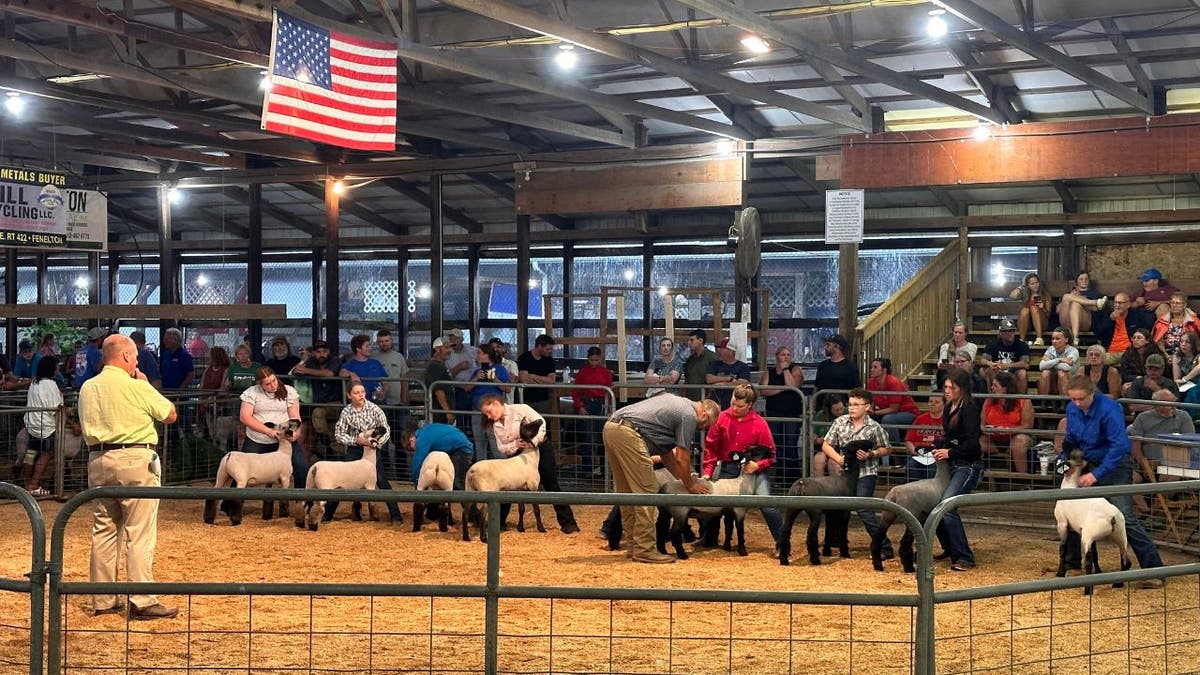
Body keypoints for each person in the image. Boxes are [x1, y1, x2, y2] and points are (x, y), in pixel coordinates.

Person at [79, 333, 178, 619]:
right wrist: (146, 386)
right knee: (139, 532)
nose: (137, 360)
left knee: (104, 530)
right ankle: (142, 599)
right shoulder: (136, 385)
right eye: (134, 356)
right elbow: (169, 414)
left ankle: (103, 600)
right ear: (124, 356)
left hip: (98, 460)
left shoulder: (88, 387)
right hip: (135, 460)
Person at [1061, 374, 1164, 583]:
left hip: (1114, 465)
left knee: (1123, 515)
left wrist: (1095, 474)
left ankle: (1155, 571)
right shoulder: (1073, 409)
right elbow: (1071, 438)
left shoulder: (1109, 409)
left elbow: (1120, 446)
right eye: (1073, 399)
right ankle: (1073, 560)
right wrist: (1065, 460)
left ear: (1092, 393)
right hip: (1088, 461)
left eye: (1081, 398)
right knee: (1071, 507)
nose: (1077, 403)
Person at [604, 394, 716, 563]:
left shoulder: (679, 406)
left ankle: (634, 545)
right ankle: (644, 549)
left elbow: (666, 454)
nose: (701, 429)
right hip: (630, 433)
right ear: (704, 415)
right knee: (647, 492)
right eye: (705, 426)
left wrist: (682, 478)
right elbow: (681, 457)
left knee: (627, 492)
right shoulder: (688, 415)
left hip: (612, 428)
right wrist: (690, 485)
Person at [479, 393, 579, 534]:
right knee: (507, 486)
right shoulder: (496, 425)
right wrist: (516, 444)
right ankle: (498, 523)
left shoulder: (520, 409)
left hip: (541, 448)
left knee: (550, 482)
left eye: (489, 412)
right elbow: (501, 447)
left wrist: (533, 442)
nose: (488, 416)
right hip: (517, 453)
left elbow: (541, 423)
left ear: (496, 404)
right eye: (486, 414)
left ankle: (568, 523)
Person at [817, 388, 894, 560]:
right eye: (850, 404)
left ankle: (885, 547)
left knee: (863, 508)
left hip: (866, 472)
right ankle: (836, 541)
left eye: (856, 405)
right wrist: (839, 459)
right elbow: (826, 444)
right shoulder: (839, 422)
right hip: (844, 473)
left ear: (867, 407)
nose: (851, 408)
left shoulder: (875, 427)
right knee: (837, 507)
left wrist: (871, 454)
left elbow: (887, 448)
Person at [701, 384, 782, 545]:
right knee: (709, 497)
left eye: (740, 406)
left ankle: (782, 542)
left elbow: (771, 455)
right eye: (733, 404)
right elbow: (711, 448)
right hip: (727, 466)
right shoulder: (722, 418)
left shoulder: (759, 423)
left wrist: (758, 466)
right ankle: (709, 538)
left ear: (750, 405)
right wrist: (707, 472)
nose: (735, 408)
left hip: (753, 469)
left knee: (767, 504)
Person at [323, 382, 402, 523]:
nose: (361, 395)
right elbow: (339, 434)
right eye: (356, 392)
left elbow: (386, 429)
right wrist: (355, 440)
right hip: (355, 448)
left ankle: (396, 515)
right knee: (342, 479)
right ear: (349, 395)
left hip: (372, 449)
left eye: (362, 392)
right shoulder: (346, 412)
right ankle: (327, 515)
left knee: (381, 479)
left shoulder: (374, 408)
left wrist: (376, 443)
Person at [931, 368, 985, 571]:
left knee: (947, 506)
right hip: (954, 462)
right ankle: (951, 548)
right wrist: (941, 445)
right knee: (937, 505)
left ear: (961, 389)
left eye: (950, 388)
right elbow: (952, 436)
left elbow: (973, 445)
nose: (946, 391)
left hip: (969, 465)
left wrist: (949, 452)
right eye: (945, 387)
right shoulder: (948, 407)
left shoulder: (969, 409)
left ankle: (964, 556)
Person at [239, 366, 308, 490]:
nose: (273, 385)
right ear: (260, 385)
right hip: (257, 439)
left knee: (301, 466)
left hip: (283, 439)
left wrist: (295, 434)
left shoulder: (289, 391)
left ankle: (301, 500)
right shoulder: (251, 393)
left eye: (274, 381)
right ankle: (229, 505)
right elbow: (245, 417)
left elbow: (295, 417)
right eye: (268, 384)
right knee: (242, 468)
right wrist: (268, 431)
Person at [1127, 389, 1195, 514]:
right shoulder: (1143, 418)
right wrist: (1145, 466)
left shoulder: (1183, 417)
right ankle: (1147, 511)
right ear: (1156, 405)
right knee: (1127, 478)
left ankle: (1157, 510)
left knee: (1169, 478)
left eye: (1174, 401)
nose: (1173, 406)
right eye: (1168, 403)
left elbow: (1190, 443)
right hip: (1144, 463)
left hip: (1173, 461)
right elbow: (1135, 447)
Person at [23, 355, 70, 496]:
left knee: (31, 453)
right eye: (56, 366)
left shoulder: (34, 383)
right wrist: (71, 422)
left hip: (33, 423)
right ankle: (34, 484)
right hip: (46, 426)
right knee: (46, 454)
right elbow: (57, 408)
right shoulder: (51, 385)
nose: (58, 368)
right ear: (51, 368)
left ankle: (26, 483)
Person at [759, 345, 804, 486]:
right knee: (777, 443)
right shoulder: (770, 371)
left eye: (788, 354)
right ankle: (780, 477)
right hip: (774, 412)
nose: (786, 357)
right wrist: (783, 389)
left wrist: (785, 370)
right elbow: (763, 390)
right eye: (783, 354)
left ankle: (792, 478)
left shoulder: (795, 369)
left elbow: (792, 386)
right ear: (777, 356)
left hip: (792, 413)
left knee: (790, 444)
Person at [980, 371, 1035, 473]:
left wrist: (1008, 430)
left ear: (1005, 389)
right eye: (992, 385)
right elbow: (982, 425)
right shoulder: (989, 400)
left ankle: (1023, 481)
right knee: (976, 443)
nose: (992, 388)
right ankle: (982, 477)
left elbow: (1028, 426)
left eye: (995, 386)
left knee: (1019, 442)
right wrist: (988, 430)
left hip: (1015, 436)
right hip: (993, 439)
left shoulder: (1024, 401)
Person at [464, 343, 511, 460]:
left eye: (480, 353)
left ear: (487, 355)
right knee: (479, 443)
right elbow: (467, 388)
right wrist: (476, 378)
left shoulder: (500, 369)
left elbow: (508, 388)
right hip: (477, 411)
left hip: (493, 412)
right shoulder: (476, 371)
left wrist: (494, 379)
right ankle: (482, 469)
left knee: (495, 443)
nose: (477, 355)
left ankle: (502, 470)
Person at [572, 346, 613, 478]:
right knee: (587, 436)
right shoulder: (582, 373)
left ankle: (603, 468)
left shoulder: (606, 372)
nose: (594, 363)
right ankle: (587, 469)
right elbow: (576, 391)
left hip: (601, 403)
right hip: (588, 403)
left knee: (603, 437)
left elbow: (609, 391)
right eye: (591, 360)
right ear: (588, 359)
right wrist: (580, 406)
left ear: (600, 359)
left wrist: (609, 409)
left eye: (596, 360)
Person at [866, 356, 918, 445]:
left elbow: (894, 409)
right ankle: (871, 445)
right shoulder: (871, 382)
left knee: (888, 419)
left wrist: (874, 412)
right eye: (871, 367)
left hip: (908, 412)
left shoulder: (893, 383)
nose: (871, 370)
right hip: (888, 411)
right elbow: (872, 401)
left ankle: (894, 447)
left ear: (884, 370)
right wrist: (869, 409)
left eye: (875, 367)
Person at [1092, 292, 1149, 364]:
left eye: (1120, 303)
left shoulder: (1136, 316)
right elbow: (1098, 334)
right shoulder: (1107, 315)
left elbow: (1145, 333)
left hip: (1130, 352)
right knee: (1095, 360)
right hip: (1110, 352)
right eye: (1115, 303)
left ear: (1128, 305)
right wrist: (1110, 320)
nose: (1117, 305)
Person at [978, 319, 1030, 394]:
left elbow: (1025, 364)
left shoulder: (1022, 345)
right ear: (1001, 333)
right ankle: (994, 399)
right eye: (1006, 331)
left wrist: (1006, 366)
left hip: (1013, 373)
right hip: (997, 372)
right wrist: (991, 364)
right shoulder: (993, 344)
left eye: (1012, 331)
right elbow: (982, 360)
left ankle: (1021, 401)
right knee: (989, 370)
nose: (1010, 334)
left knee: (1022, 373)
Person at [903, 393, 945, 481]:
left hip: (937, 456)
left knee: (932, 467)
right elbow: (908, 440)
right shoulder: (920, 419)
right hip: (919, 454)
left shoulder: (947, 420)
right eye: (930, 401)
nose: (932, 404)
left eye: (936, 402)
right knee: (911, 465)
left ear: (944, 404)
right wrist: (915, 452)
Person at [814, 333, 860, 410]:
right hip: (822, 408)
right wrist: (813, 405)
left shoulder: (850, 367)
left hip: (840, 409)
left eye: (828, 345)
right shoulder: (822, 365)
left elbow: (855, 390)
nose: (825, 347)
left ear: (837, 347)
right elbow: (816, 386)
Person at [1056, 271, 1103, 346]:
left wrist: (1078, 299)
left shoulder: (1094, 293)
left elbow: (1096, 309)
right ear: (1076, 282)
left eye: (1086, 279)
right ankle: (1095, 302)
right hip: (1067, 323)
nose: (1084, 281)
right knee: (1066, 297)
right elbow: (1058, 310)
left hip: (1085, 323)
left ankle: (1075, 337)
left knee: (1075, 304)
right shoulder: (1070, 293)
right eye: (1081, 279)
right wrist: (1072, 297)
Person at [339, 333, 389, 401]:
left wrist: (383, 393)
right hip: (359, 402)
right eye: (367, 346)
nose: (370, 348)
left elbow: (385, 382)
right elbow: (342, 373)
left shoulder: (376, 363)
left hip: (376, 402)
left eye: (370, 346)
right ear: (358, 349)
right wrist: (351, 374)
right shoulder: (350, 364)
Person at [516, 334, 558, 414]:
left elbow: (551, 380)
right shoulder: (524, 358)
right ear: (539, 346)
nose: (550, 351)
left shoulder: (549, 360)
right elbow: (524, 379)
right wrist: (543, 381)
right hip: (526, 399)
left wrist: (533, 376)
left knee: (543, 423)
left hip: (543, 399)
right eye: (548, 349)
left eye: (551, 349)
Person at [705, 337, 751, 409]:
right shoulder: (714, 364)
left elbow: (743, 383)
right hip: (716, 404)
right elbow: (709, 379)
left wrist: (721, 384)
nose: (718, 350)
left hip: (735, 405)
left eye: (722, 348)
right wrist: (729, 379)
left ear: (731, 351)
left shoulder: (743, 366)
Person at [197, 346, 231, 440]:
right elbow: (202, 384)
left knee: (219, 428)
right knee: (209, 427)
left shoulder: (226, 369)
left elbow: (224, 386)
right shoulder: (208, 369)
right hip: (206, 403)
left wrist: (211, 398)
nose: (208, 357)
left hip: (219, 403)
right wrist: (201, 398)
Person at [1151, 292, 1198, 357]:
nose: (1174, 305)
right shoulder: (1161, 322)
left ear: (1184, 305)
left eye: (1177, 303)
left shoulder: (1194, 321)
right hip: (1164, 355)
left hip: (1187, 356)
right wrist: (1166, 355)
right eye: (1172, 303)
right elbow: (1158, 341)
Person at [1036, 328, 1079, 400]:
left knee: (1061, 373)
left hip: (1071, 380)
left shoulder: (1073, 351)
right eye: (1052, 339)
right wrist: (1059, 360)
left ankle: (1064, 402)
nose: (1054, 341)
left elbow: (1066, 367)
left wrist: (1050, 363)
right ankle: (1043, 402)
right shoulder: (1050, 349)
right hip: (1054, 379)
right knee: (1045, 373)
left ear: (1066, 340)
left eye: (1057, 339)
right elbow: (1041, 366)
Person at [444, 328, 476, 423]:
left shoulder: (472, 351)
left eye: (456, 338)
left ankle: (471, 433)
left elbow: (483, 360)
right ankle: (462, 431)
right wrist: (458, 367)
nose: (453, 341)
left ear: (462, 339)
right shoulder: (447, 355)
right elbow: (447, 376)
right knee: (461, 413)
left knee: (473, 413)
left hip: (473, 386)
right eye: (451, 338)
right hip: (457, 388)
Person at [1009, 272, 1051, 346]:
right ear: (1028, 285)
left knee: (1034, 308)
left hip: (1041, 323)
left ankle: (1039, 338)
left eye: (1037, 283)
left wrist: (1043, 308)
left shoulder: (1045, 295)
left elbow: (1048, 315)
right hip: (1026, 324)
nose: (1035, 285)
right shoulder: (1026, 294)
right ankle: (1022, 341)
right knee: (1025, 310)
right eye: (1032, 284)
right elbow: (1012, 296)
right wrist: (1021, 287)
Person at [810, 395, 845, 477]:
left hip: (842, 449)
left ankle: (835, 489)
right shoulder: (820, 415)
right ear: (829, 410)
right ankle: (820, 488)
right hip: (824, 448)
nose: (840, 412)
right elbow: (812, 436)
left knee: (833, 462)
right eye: (836, 410)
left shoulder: (848, 413)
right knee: (818, 460)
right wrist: (817, 440)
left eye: (841, 408)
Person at [936, 322, 976, 390]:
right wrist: (944, 365)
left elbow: (968, 362)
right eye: (955, 332)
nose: (957, 335)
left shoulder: (972, 347)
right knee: (941, 372)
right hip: (949, 371)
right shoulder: (946, 346)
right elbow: (940, 362)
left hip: (964, 371)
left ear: (965, 334)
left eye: (960, 333)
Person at [424, 337, 455, 425]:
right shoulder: (435, 367)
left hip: (440, 411)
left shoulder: (440, 365)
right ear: (437, 349)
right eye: (446, 348)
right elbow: (438, 390)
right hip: (439, 412)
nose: (449, 350)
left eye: (450, 348)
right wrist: (448, 412)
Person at [681, 329, 717, 401]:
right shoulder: (690, 360)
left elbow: (716, 381)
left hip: (707, 399)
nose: (689, 343)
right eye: (688, 340)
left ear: (700, 340)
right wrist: (684, 396)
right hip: (690, 399)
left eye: (692, 340)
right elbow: (687, 379)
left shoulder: (712, 358)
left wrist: (708, 398)